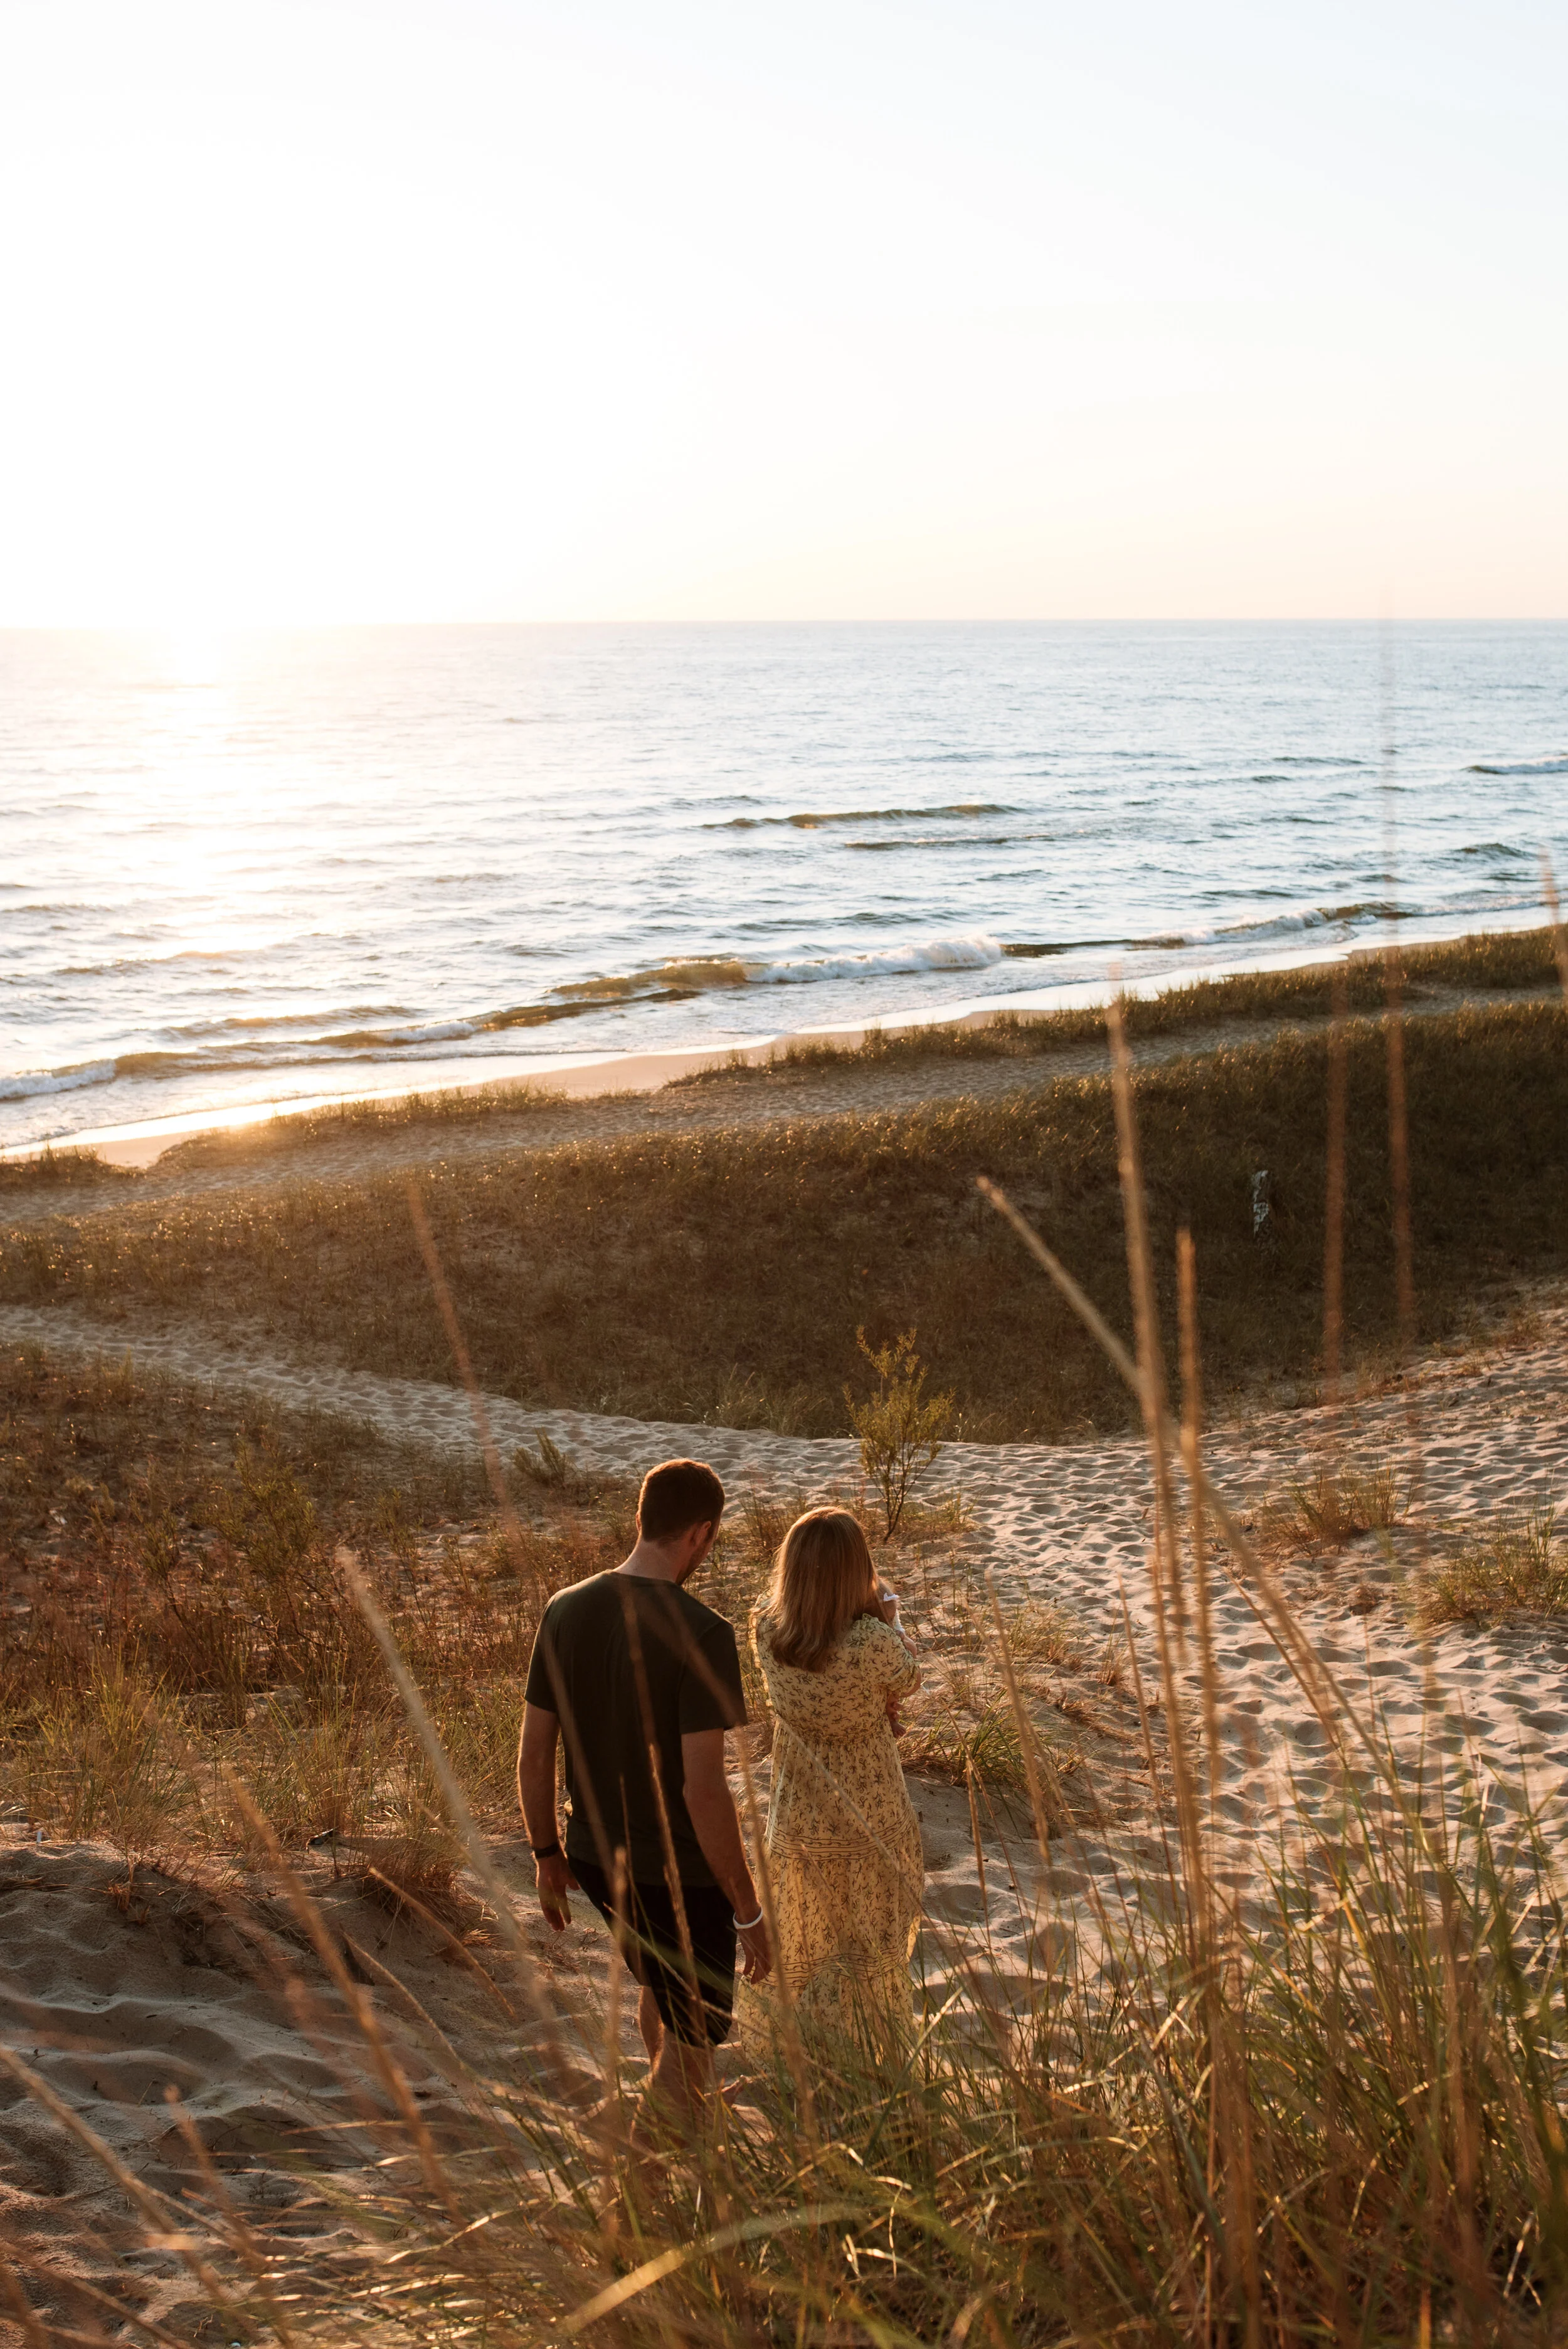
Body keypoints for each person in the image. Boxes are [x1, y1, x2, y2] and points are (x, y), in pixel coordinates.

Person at [517, 1457, 771, 2136]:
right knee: (691, 2053)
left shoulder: (564, 1609)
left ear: (641, 1517)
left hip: (594, 1857)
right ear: (701, 1533)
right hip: (678, 1874)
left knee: (661, 1986)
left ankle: (688, 2111)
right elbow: (703, 1790)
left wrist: (546, 1853)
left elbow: (535, 1751)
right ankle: (637, 2157)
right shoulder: (705, 1632)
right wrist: (747, 1909)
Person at [751, 1507, 923, 2042]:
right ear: (858, 1570)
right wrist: (891, 1618)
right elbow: (910, 1676)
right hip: (869, 1804)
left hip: (798, 1807)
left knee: (806, 1933)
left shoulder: (766, 1628)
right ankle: (868, 2040)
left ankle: (805, 2043)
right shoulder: (870, 1640)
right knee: (869, 1939)